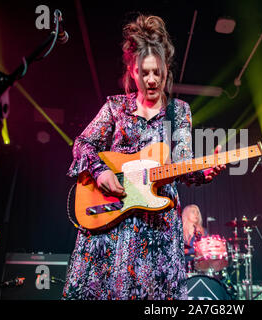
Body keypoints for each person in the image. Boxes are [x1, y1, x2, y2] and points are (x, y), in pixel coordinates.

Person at [62, 14, 225, 300]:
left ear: (166, 71)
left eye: (157, 73)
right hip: (111, 223)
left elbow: (184, 163)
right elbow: (83, 144)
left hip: (158, 231)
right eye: (144, 73)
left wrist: (203, 172)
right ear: (132, 71)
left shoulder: (179, 112)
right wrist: (101, 171)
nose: (151, 80)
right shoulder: (114, 108)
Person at [182, 204, 207, 273]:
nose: (196, 214)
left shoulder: (203, 231)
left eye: (197, 212)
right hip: (182, 264)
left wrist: (188, 251)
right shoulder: (179, 231)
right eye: (193, 212)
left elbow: (204, 250)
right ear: (186, 214)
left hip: (198, 264)